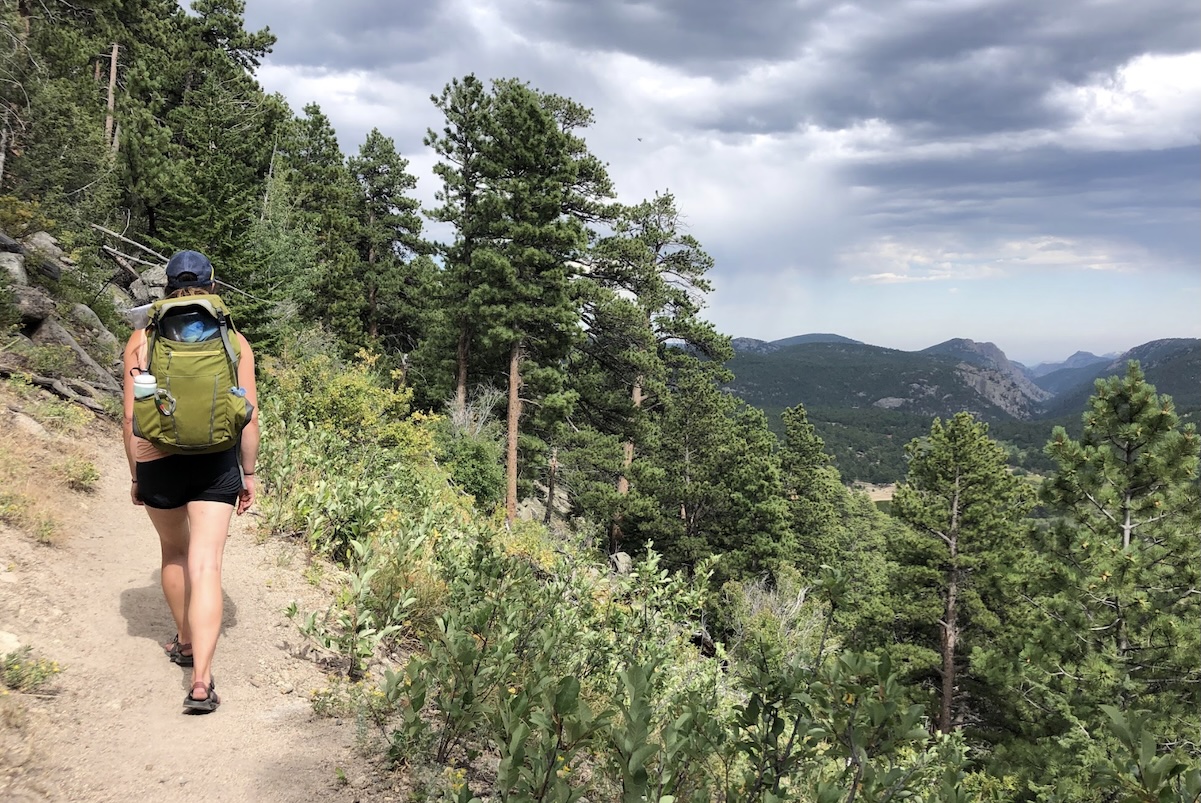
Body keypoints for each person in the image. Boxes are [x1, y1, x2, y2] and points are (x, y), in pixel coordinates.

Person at [121, 250, 259, 714]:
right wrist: (250, 472)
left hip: (158, 458)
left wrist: (137, 473)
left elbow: (129, 417)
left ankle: (183, 640)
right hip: (216, 461)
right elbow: (248, 416)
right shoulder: (235, 342)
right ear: (212, 285)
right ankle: (201, 682)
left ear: (165, 287)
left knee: (174, 553)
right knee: (207, 566)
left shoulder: (142, 339)